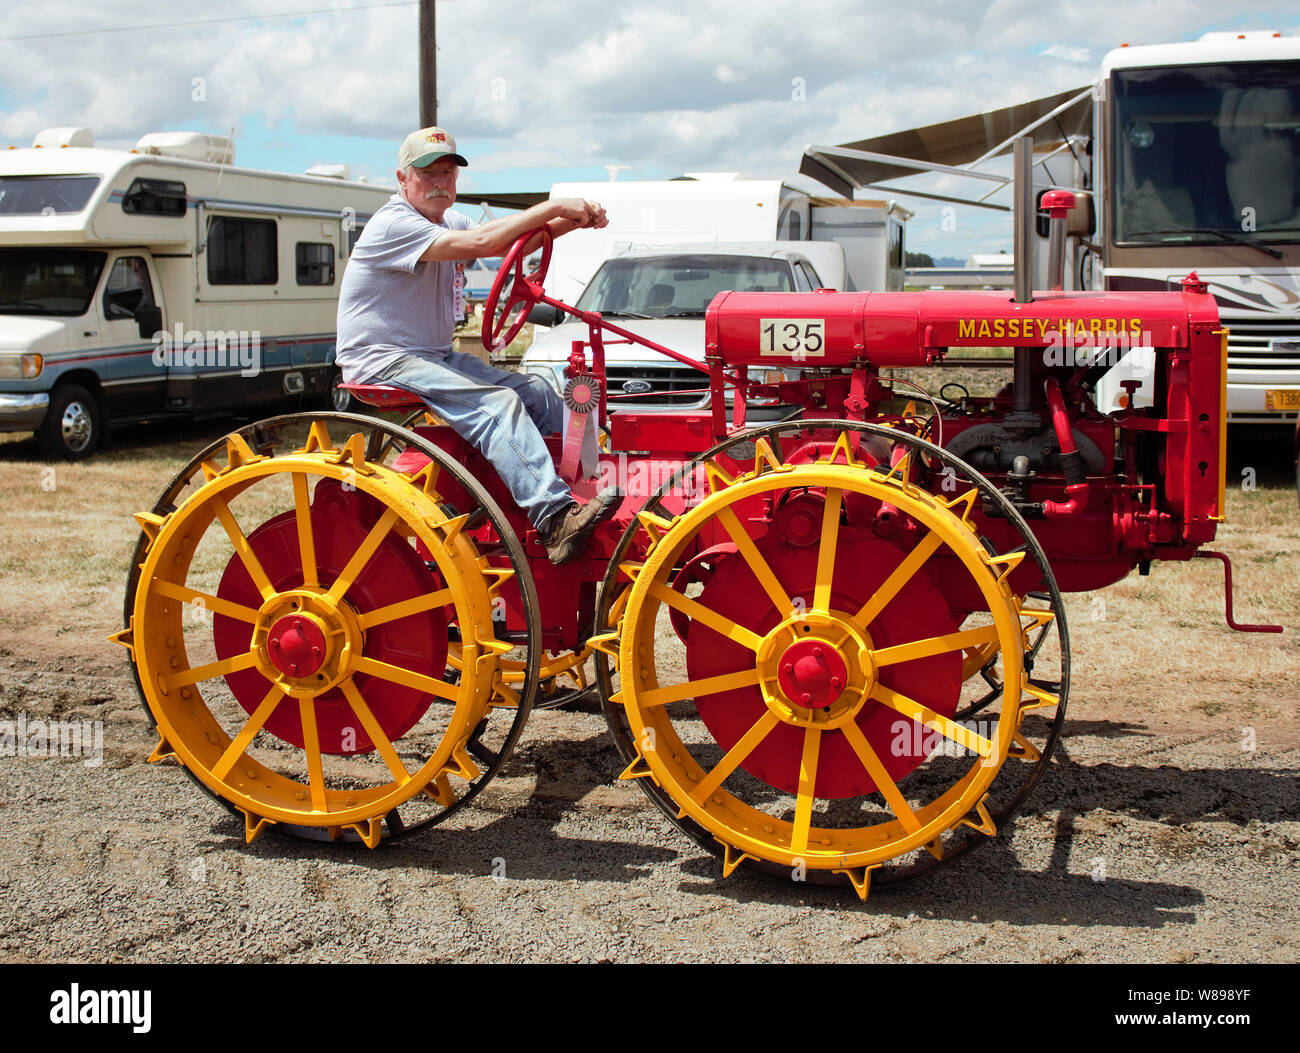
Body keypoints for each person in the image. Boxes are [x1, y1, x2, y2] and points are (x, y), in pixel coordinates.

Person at [336, 127, 620, 564]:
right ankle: (555, 520)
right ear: (402, 178)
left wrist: (573, 222)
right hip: (381, 359)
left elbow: (514, 241)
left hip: (428, 354)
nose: (439, 182)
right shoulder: (394, 223)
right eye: (427, 173)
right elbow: (484, 243)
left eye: (447, 174)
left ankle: (588, 485)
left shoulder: (447, 221)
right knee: (498, 403)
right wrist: (555, 206)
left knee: (538, 392)